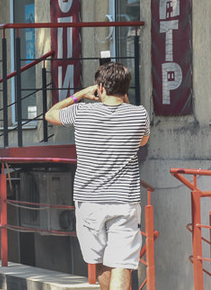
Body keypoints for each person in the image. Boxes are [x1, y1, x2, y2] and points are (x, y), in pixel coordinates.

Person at [45, 62, 149, 290]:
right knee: (121, 263)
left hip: (89, 201)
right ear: (126, 89)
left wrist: (81, 94)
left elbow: (50, 114)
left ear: (100, 87)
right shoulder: (139, 115)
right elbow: (142, 142)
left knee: (100, 262)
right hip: (124, 201)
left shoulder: (82, 112)